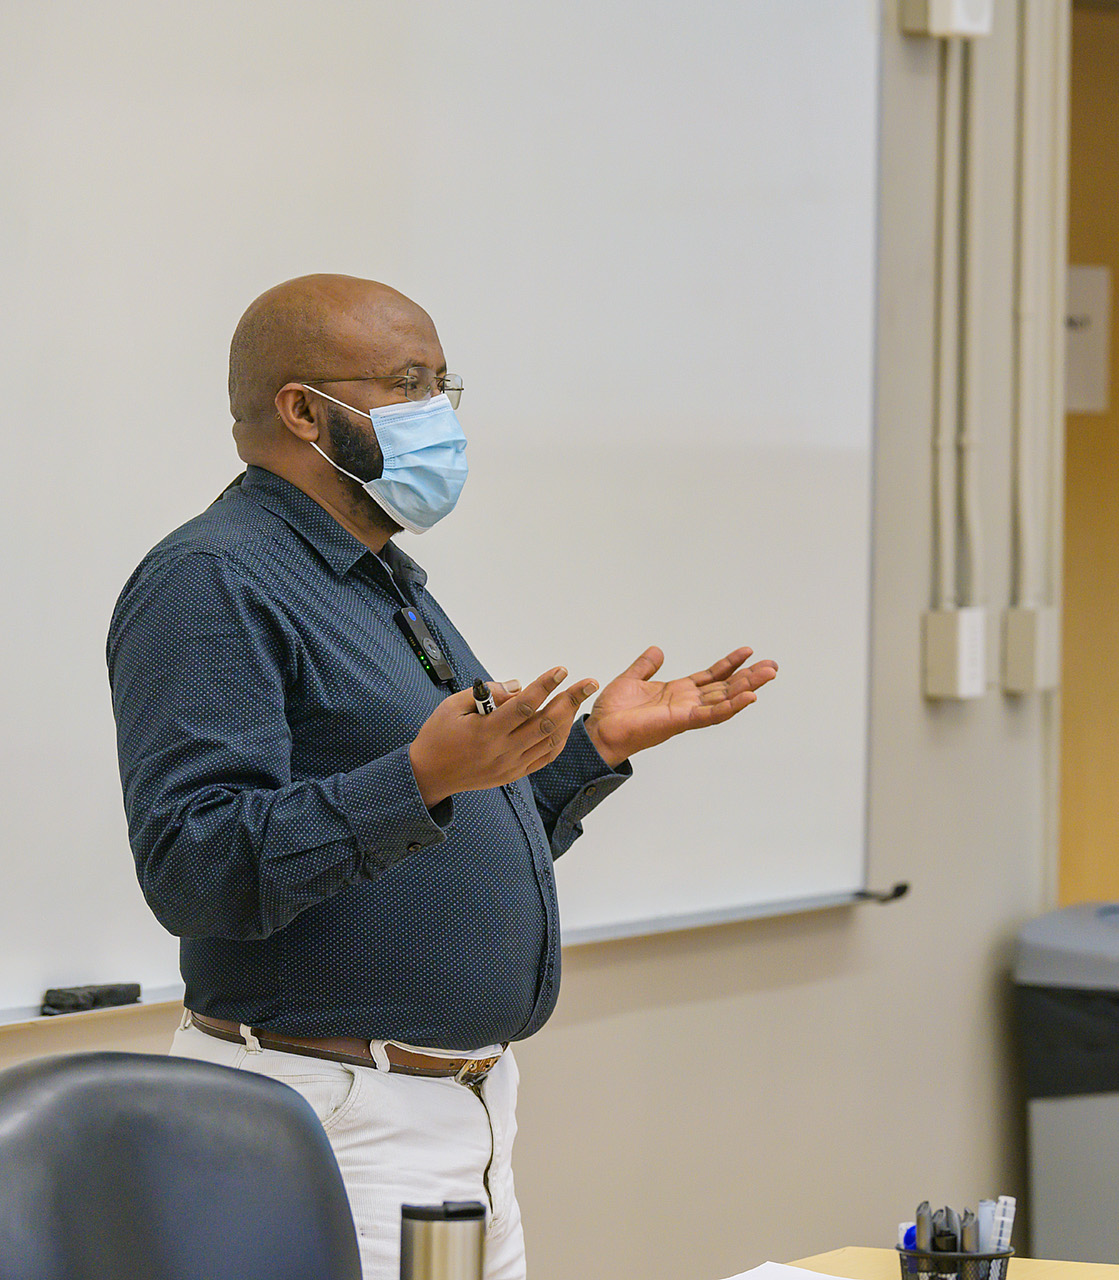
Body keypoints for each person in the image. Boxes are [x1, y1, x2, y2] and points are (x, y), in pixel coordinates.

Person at [105, 274, 776, 1280]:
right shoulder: (213, 578)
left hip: (461, 1121)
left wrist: (592, 747)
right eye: (409, 384)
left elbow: (433, 829)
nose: (438, 418)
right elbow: (195, 864)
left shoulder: (381, 580)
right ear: (302, 408)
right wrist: (417, 775)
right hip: (324, 1123)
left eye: (442, 388)